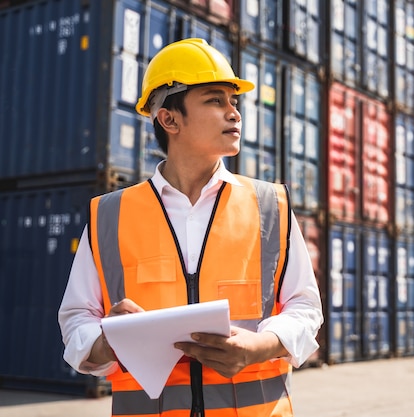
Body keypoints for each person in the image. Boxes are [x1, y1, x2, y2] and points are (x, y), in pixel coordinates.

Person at [58, 38, 323, 417]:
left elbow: (306, 308)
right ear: (169, 119)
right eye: (215, 100)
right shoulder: (110, 215)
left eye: (235, 102)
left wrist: (261, 345)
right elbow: (76, 319)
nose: (234, 113)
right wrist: (108, 341)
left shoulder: (269, 206)